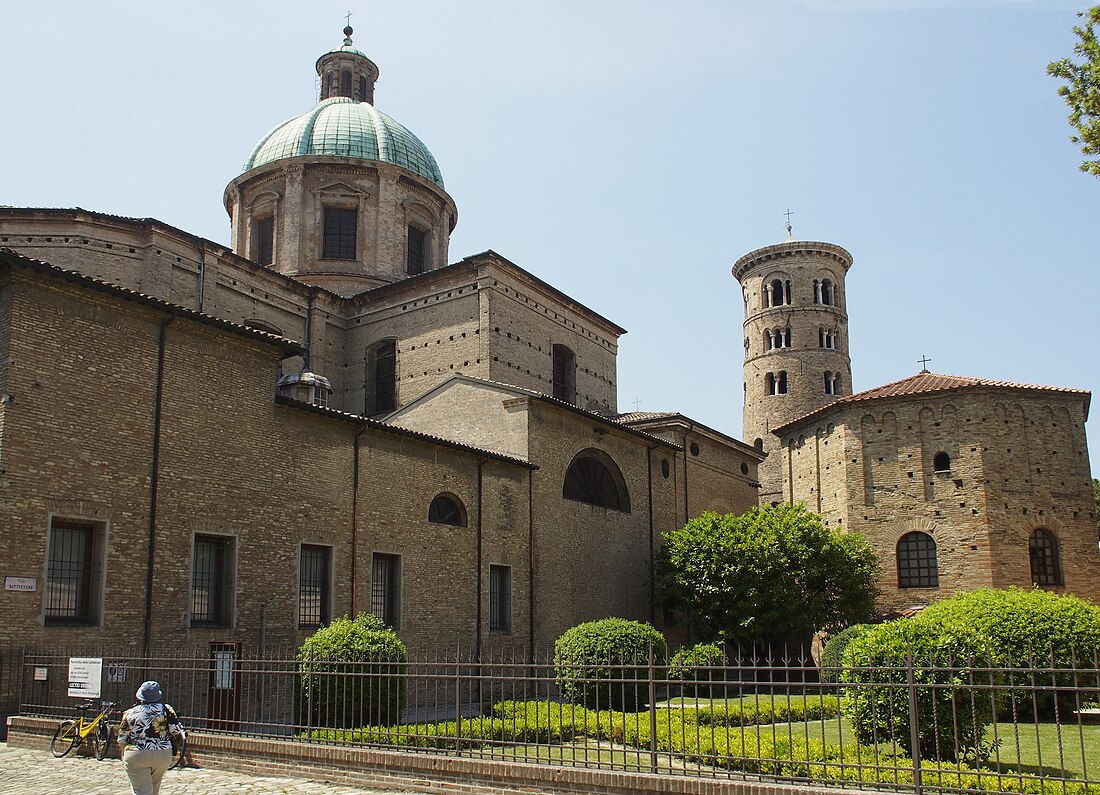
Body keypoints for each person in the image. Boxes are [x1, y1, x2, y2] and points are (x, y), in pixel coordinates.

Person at [117, 681, 185, 795]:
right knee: (154, 788)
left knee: (141, 791)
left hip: (137, 753)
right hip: (162, 754)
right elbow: (176, 732)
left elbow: (122, 737)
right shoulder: (166, 709)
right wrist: (180, 753)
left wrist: (124, 753)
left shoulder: (130, 713)